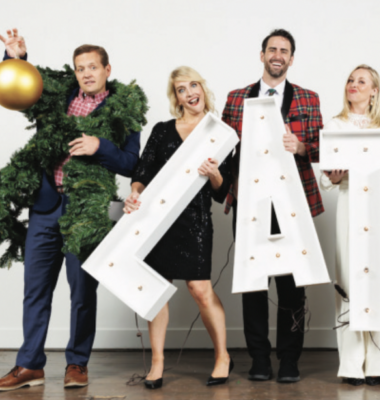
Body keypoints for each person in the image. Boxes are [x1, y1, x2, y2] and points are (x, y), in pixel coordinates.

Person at [0, 29, 145, 392]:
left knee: (82, 292)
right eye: (80, 68)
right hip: (46, 207)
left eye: (93, 67)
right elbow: (25, 91)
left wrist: (100, 146)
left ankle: (77, 363)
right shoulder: (59, 97)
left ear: (107, 69)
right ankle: (29, 365)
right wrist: (16, 59)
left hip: (87, 212)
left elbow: (132, 163)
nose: (86, 74)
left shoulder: (124, 110)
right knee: (35, 289)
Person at [221, 28, 324, 383]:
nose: (277, 55)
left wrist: (302, 147)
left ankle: (290, 358)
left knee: (293, 284)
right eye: (272, 49)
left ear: (291, 59)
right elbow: (223, 148)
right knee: (253, 282)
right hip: (250, 202)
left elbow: (322, 148)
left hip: (292, 202)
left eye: (284, 50)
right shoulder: (237, 98)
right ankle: (259, 358)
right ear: (262, 55)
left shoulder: (308, 98)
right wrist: (228, 185)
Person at [124, 66, 233, 389]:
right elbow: (143, 172)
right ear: (177, 98)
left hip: (195, 220)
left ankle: (223, 356)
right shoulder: (162, 130)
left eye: (193, 85)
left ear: (202, 88)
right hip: (157, 220)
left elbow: (221, 192)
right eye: (181, 89)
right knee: (156, 291)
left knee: (200, 289)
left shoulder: (221, 133)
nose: (189, 93)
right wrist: (135, 193)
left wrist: (214, 173)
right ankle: (157, 363)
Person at [320, 65, 380, 387]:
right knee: (350, 279)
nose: (353, 85)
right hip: (351, 204)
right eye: (350, 80)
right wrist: (333, 177)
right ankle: (352, 363)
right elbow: (327, 175)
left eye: (361, 81)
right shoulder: (335, 125)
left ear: (374, 91)